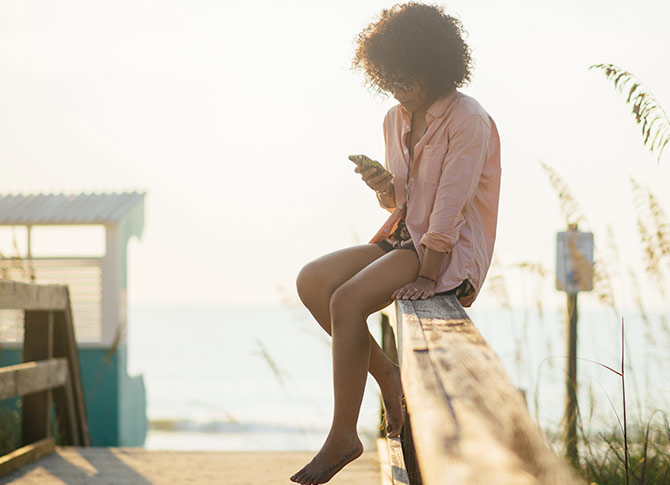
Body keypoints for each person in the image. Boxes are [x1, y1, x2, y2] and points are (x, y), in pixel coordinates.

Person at [290, 3, 501, 484]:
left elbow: (451, 206)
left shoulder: (468, 119)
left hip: (444, 255)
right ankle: (387, 374)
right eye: (388, 80)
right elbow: (402, 202)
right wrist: (383, 185)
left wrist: (428, 273)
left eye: (405, 80)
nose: (396, 90)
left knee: (346, 301)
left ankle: (343, 436)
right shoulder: (396, 118)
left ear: (434, 67)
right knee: (312, 280)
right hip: (405, 238)